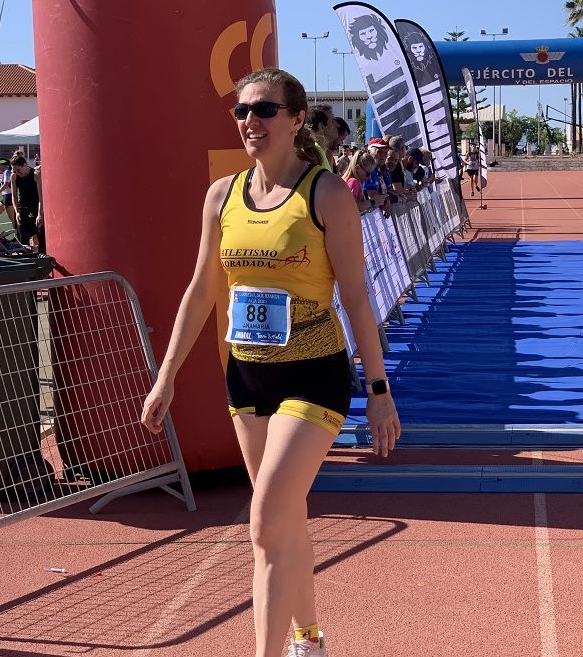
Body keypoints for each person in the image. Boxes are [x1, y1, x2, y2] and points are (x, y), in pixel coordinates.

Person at [140, 68, 399, 657]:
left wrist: (379, 389)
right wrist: (167, 375)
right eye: (241, 111)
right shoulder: (221, 195)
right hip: (248, 374)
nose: (249, 122)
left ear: (295, 119)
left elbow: (356, 297)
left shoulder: (325, 194)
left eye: (263, 110)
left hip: (314, 372)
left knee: (262, 522)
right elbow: (203, 289)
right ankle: (309, 636)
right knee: (282, 521)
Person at [10, 152, 45, 253]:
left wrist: (40, 214)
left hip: (35, 206)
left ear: (24, 165)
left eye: (18, 170)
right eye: (14, 171)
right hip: (22, 207)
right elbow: (14, 196)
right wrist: (17, 212)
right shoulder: (14, 176)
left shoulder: (35, 174)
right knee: (22, 240)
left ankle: (40, 255)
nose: (17, 173)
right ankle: (25, 259)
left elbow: (40, 197)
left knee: (40, 237)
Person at [0, 158, 13, 230]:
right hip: (6, 196)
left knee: (12, 217)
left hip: (8, 196)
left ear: (2, 164)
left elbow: (6, 185)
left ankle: (18, 235)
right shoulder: (6, 172)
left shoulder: (7, 171)